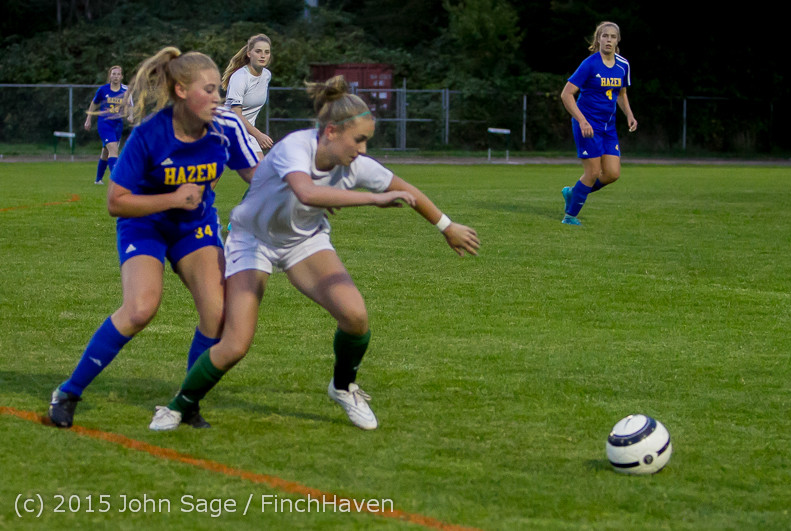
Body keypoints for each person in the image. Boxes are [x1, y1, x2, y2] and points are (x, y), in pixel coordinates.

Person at [149, 75, 481, 432]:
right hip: (252, 240)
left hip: (303, 241)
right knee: (235, 344)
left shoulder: (357, 166)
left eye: (367, 141)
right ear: (331, 132)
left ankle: (343, 387)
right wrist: (372, 198)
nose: (363, 150)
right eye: (359, 140)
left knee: (355, 316)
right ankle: (179, 406)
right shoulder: (296, 147)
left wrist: (447, 227)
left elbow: (408, 190)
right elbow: (306, 192)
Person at [48, 47, 260, 429]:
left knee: (217, 315)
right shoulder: (149, 134)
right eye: (209, 90)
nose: (218, 98)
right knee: (140, 309)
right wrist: (174, 199)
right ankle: (68, 392)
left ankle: (186, 404)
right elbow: (116, 202)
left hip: (193, 225)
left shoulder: (226, 127)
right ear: (181, 91)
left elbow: (260, 178)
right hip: (144, 223)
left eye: (219, 89)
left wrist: (306, 193)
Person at [560, 21, 637, 226]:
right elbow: (566, 94)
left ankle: (574, 192)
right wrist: (582, 121)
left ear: (618, 40)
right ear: (598, 39)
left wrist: (629, 114)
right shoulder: (590, 64)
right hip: (587, 125)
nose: (608, 40)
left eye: (613, 36)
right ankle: (570, 216)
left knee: (612, 174)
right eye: (605, 36)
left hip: (608, 127)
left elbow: (621, 93)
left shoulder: (623, 65)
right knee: (593, 173)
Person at [222, 33, 274, 159]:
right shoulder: (240, 77)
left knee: (261, 171)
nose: (263, 56)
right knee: (209, 173)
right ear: (249, 54)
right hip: (226, 130)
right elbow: (235, 114)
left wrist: (254, 134)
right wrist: (258, 135)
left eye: (266, 52)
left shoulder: (266, 75)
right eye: (258, 51)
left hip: (246, 132)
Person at [85, 65, 128, 184]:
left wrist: (130, 115)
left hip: (117, 124)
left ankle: (98, 179)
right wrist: (88, 118)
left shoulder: (125, 91)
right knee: (113, 149)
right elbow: (94, 103)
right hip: (104, 123)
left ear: (121, 76)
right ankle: (116, 181)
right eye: (113, 74)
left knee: (106, 152)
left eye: (118, 74)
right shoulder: (103, 90)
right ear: (110, 76)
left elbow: (129, 105)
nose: (116, 76)